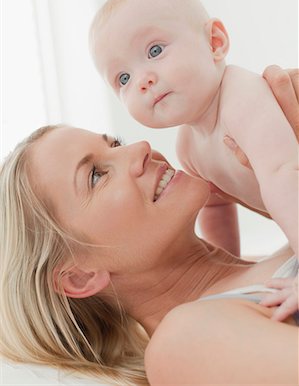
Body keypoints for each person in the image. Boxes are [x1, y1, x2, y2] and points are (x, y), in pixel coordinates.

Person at [0, 118, 298, 384]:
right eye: (96, 175)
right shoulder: (184, 343)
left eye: (117, 143)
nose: (141, 147)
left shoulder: (266, 265)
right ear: (79, 277)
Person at [88, 0, 298, 320]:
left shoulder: (241, 96)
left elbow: (284, 174)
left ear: (215, 42)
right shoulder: (187, 146)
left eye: (155, 51)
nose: (142, 79)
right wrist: (235, 273)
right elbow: (215, 208)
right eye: (123, 78)